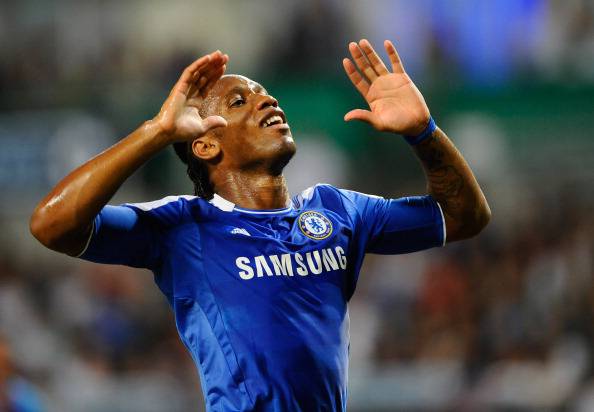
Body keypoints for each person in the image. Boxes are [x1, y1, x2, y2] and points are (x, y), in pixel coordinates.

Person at [30, 39, 490, 411]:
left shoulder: (336, 210)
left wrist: (423, 132)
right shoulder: (184, 227)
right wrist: (155, 131)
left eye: (266, 94)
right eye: (239, 101)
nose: (266, 100)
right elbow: (51, 225)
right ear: (205, 145)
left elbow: (464, 217)